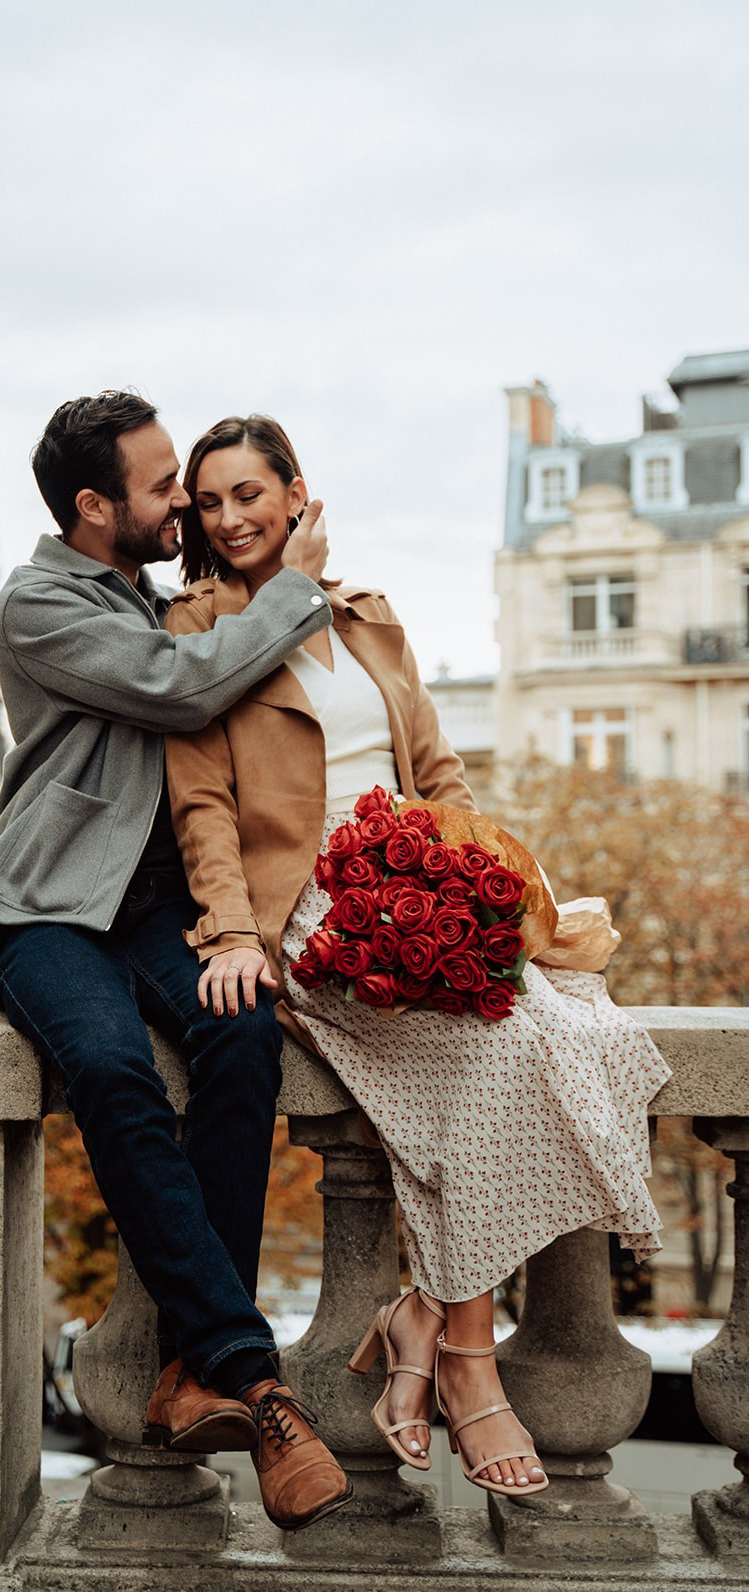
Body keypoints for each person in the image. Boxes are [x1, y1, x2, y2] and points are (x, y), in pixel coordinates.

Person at [163, 413, 671, 1500]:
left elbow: (440, 774)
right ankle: (467, 1362)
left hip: (415, 879)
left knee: (577, 1032)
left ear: (297, 494)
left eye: (249, 494)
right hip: (311, 910)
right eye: (208, 502)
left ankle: (422, 1314)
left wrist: (470, 882)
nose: (228, 518)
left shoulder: (369, 617)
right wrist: (233, 931)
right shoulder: (199, 628)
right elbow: (203, 807)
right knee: (494, 1058)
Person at [0, 391, 353, 1531]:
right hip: (44, 911)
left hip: (151, 909)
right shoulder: (38, 603)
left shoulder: (149, 589)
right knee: (114, 1072)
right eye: (163, 483)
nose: (183, 500)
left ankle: (190, 1371)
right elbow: (182, 687)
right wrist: (293, 593)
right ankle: (253, 1379)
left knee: (240, 1033)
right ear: (91, 506)